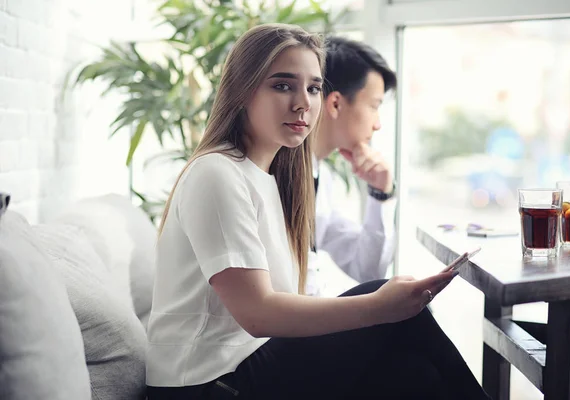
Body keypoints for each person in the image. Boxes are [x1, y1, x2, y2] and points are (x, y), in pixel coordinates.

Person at [145, 23, 490, 400]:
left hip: (246, 368)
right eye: (282, 85)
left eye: (312, 88)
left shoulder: (274, 180)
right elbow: (257, 314)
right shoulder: (216, 172)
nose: (302, 103)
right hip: (208, 384)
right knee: (383, 298)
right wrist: (378, 307)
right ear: (242, 92)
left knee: (413, 374)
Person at [307, 36, 398, 295]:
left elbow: (368, 271)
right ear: (335, 103)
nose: (377, 124)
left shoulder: (321, 177)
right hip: (282, 329)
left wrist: (381, 194)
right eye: (374, 106)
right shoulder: (273, 172)